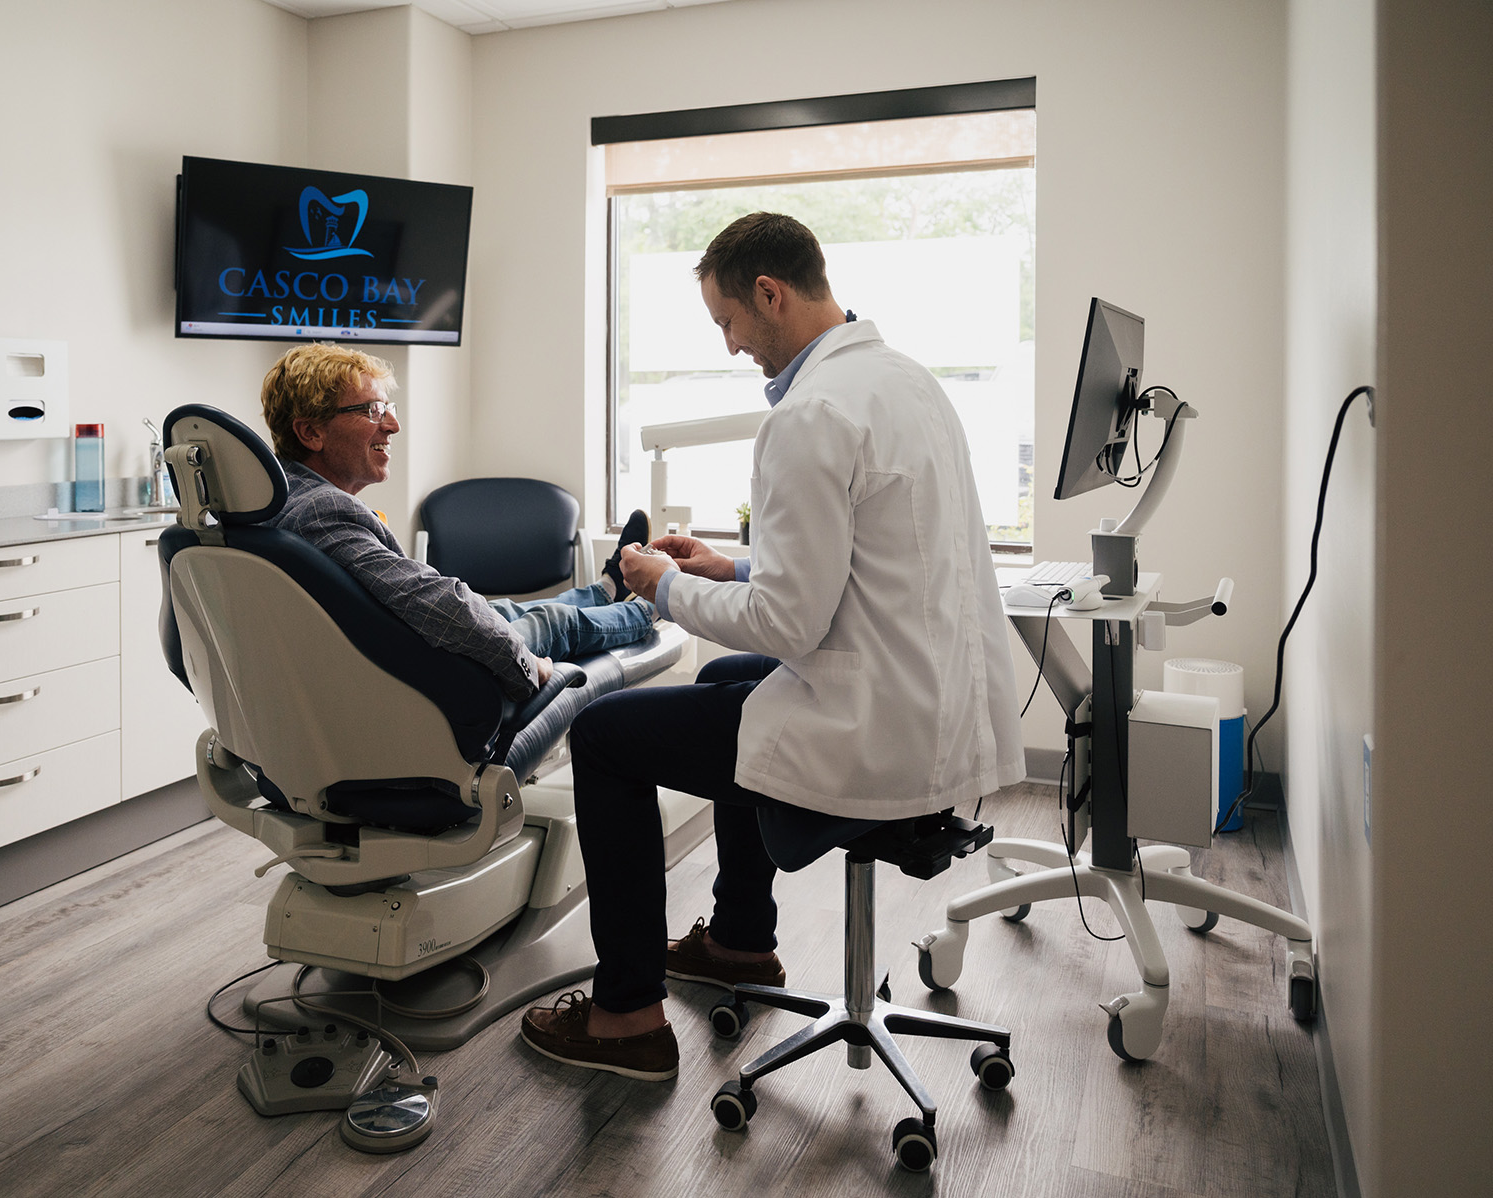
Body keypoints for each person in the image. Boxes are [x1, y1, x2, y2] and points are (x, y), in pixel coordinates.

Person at [520, 213, 1024, 1081]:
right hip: (939, 708)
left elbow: (788, 624)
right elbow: (871, 559)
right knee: (727, 676)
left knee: (605, 738)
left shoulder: (810, 414)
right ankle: (742, 941)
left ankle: (627, 1014)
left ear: (768, 293)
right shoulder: (908, 384)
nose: (730, 346)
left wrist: (662, 586)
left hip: (876, 733)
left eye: (728, 322)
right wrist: (732, 564)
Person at [260, 342, 657, 700]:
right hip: (431, 668)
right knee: (554, 623)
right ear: (311, 432)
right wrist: (526, 663)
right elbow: (430, 601)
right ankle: (654, 602)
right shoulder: (323, 513)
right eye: (372, 410)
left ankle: (607, 590)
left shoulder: (278, 502)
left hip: (404, 647)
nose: (393, 425)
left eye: (388, 408)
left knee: (506, 611)